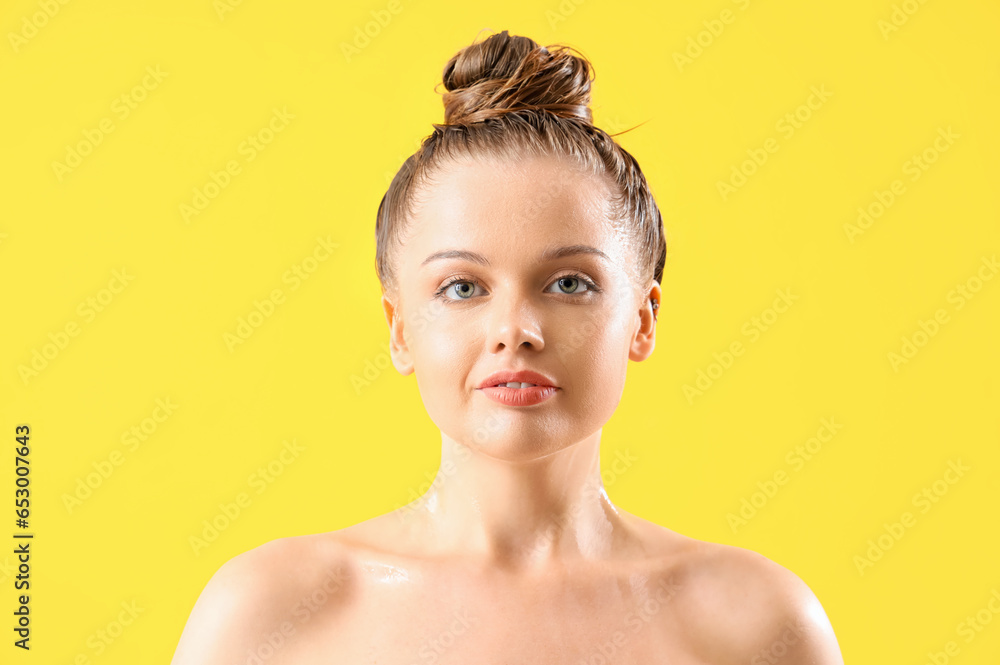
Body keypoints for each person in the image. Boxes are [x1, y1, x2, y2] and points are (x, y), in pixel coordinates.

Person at [171, 30, 845, 664]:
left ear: (642, 319)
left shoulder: (755, 624)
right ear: (399, 326)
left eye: (569, 282)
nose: (515, 328)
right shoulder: (267, 615)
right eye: (463, 286)